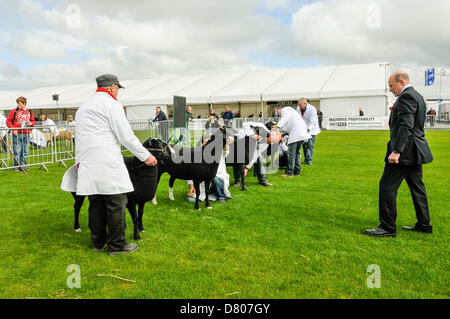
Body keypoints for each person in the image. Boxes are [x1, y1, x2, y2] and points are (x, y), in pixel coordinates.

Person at [67, 74, 158, 255]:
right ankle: (117, 245)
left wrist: (78, 161)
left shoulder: (83, 108)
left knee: (96, 202)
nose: (118, 92)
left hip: (87, 161)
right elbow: (126, 136)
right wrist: (145, 155)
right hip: (107, 161)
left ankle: (98, 242)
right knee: (116, 202)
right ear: (112, 87)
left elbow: (80, 138)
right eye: (117, 89)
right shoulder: (112, 104)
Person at [364, 71, 433, 237]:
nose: (390, 89)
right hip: (416, 152)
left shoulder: (406, 97)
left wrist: (396, 151)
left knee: (387, 186)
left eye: (391, 86)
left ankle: (387, 227)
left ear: (401, 82)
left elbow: (406, 126)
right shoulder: (417, 95)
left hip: (405, 153)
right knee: (418, 189)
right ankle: (424, 225)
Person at [233, 121, 273, 187]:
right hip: (240, 140)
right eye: (271, 140)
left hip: (249, 146)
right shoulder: (261, 126)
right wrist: (252, 135)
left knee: (259, 159)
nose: (272, 143)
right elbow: (245, 123)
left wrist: (247, 168)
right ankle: (238, 181)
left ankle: (263, 180)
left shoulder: (266, 144)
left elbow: (255, 155)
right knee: (238, 160)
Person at [274, 107, 311, 177]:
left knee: (291, 154)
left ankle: (289, 173)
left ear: (279, 110)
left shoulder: (285, 110)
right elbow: (286, 128)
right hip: (301, 134)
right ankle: (297, 172)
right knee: (296, 153)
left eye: (277, 113)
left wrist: (277, 126)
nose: (278, 116)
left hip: (296, 134)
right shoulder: (291, 112)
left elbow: (285, 119)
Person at [6, 96, 36, 171]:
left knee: (25, 151)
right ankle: (16, 166)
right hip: (17, 133)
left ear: (24, 103)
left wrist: (30, 123)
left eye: (19, 103)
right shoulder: (14, 111)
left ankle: (23, 166)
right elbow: (8, 121)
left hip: (26, 133)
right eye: (17, 103)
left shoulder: (29, 111)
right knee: (17, 151)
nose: (18, 105)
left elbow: (33, 121)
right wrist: (13, 129)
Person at [296, 98, 321, 166]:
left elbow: (312, 122)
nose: (299, 106)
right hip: (303, 129)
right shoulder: (298, 107)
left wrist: (307, 129)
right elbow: (297, 118)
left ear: (305, 103)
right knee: (304, 145)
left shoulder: (312, 109)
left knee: (310, 145)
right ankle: (306, 159)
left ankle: (309, 160)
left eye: (300, 105)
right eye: (299, 105)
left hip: (312, 130)